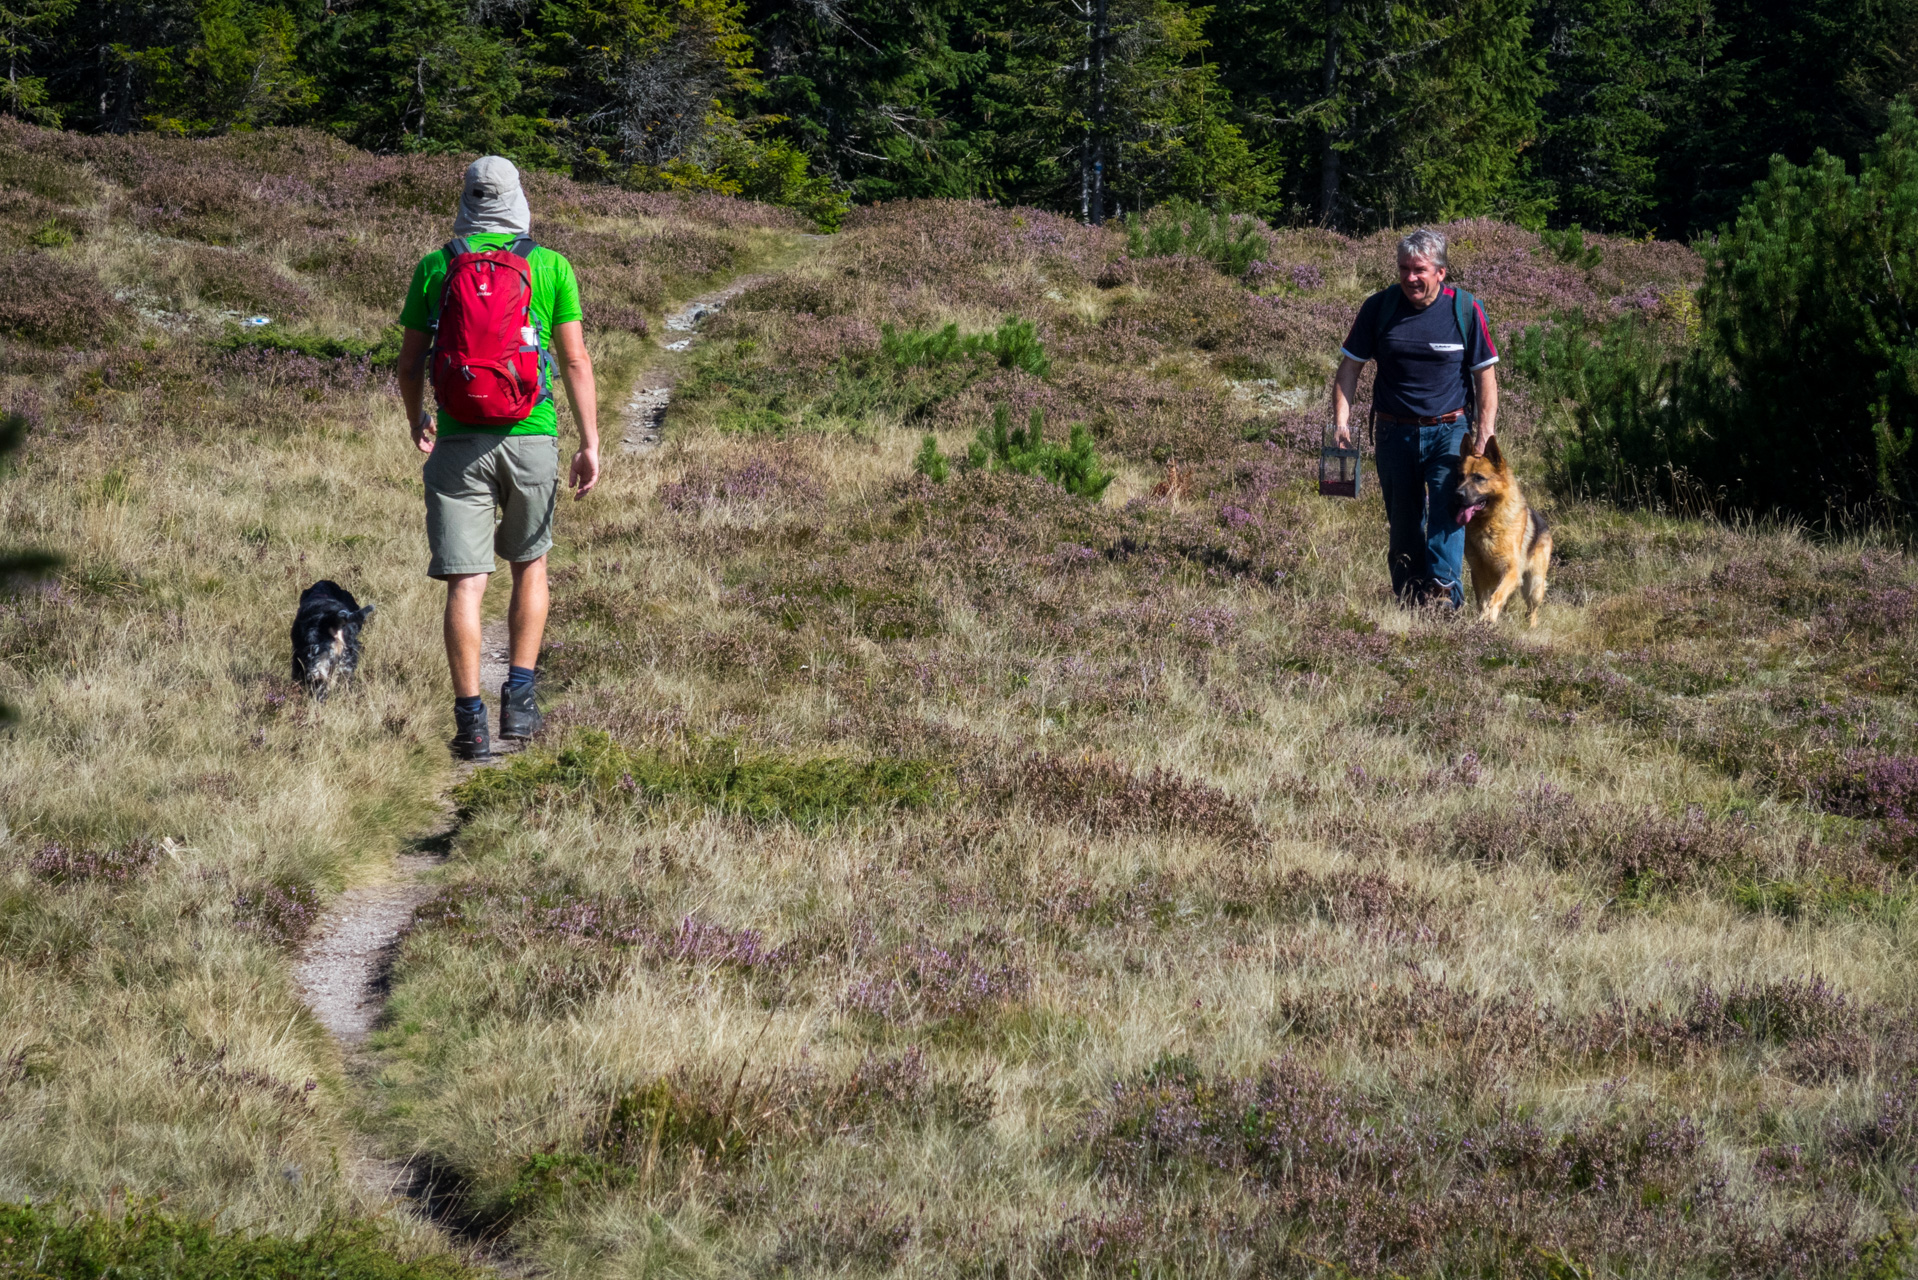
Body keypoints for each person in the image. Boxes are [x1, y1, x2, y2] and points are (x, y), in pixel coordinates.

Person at [396, 155, 600, 759]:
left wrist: (418, 419)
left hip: (459, 444)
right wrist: (589, 441)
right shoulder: (551, 265)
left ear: (466, 202)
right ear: (518, 202)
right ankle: (519, 701)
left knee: (466, 583)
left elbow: (410, 364)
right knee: (530, 565)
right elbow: (575, 361)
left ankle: (470, 723)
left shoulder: (436, 266)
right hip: (531, 434)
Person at [1331, 228, 1499, 608]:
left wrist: (1484, 435)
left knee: (1448, 511)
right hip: (1393, 433)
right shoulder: (1379, 307)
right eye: (1403, 269)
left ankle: (1442, 596)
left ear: (1441, 271)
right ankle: (1409, 598)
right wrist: (1341, 424)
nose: (1410, 278)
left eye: (1419, 269)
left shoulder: (1466, 310)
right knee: (1404, 525)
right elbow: (1348, 370)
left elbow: (1485, 377)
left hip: (1450, 432)